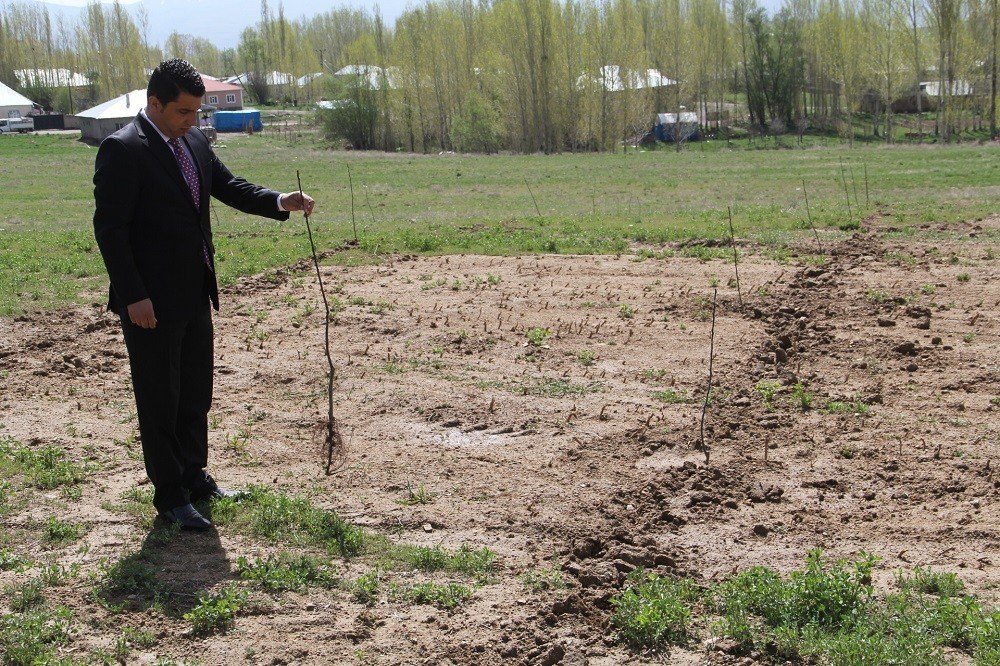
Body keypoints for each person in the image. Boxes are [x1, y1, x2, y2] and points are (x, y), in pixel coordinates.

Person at [93, 59, 315, 531]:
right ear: (154, 104)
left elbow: (227, 186)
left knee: (195, 392)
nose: (194, 120)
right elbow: (111, 230)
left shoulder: (194, 140)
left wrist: (281, 201)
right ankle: (170, 495)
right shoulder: (123, 150)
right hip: (149, 302)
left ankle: (194, 477)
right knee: (160, 397)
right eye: (184, 111)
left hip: (195, 290)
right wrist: (134, 295)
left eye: (197, 112)